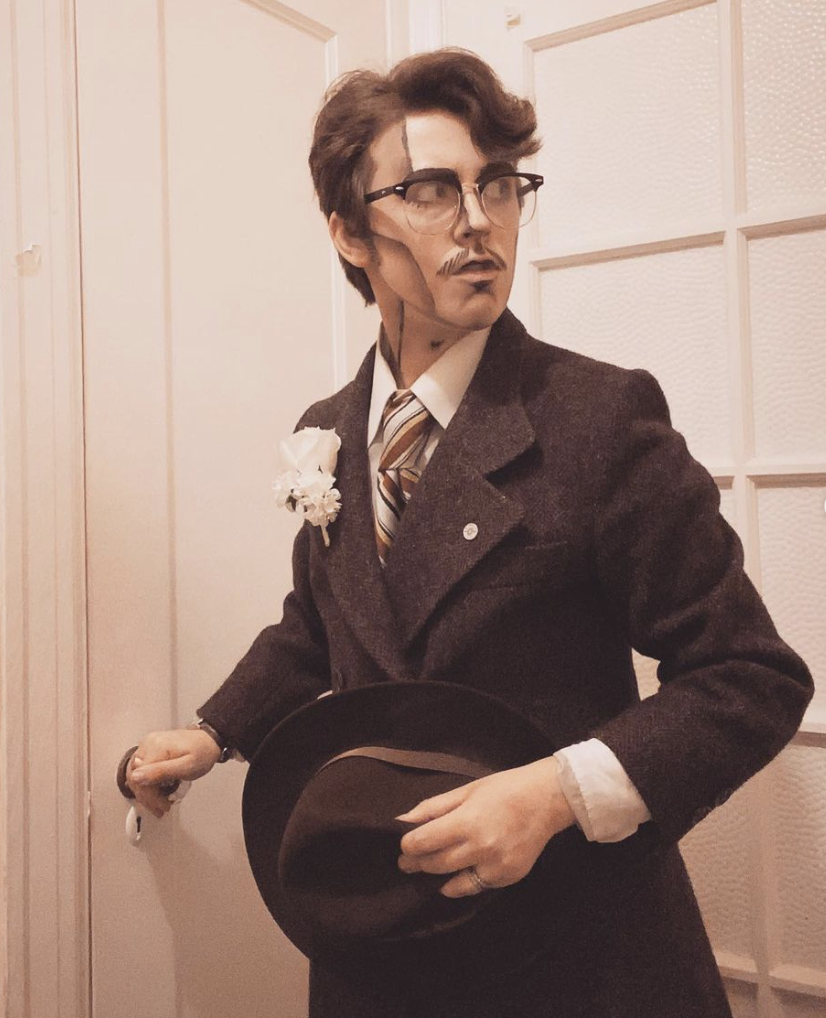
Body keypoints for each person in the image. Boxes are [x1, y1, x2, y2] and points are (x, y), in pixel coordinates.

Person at [123, 49, 814, 1017]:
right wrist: (212, 731)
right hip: (377, 943)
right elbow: (316, 625)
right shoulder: (327, 430)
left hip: (580, 955)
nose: (480, 219)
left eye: (498, 184)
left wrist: (556, 794)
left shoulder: (597, 417)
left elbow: (750, 677)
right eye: (430, 190)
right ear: (348, 231)